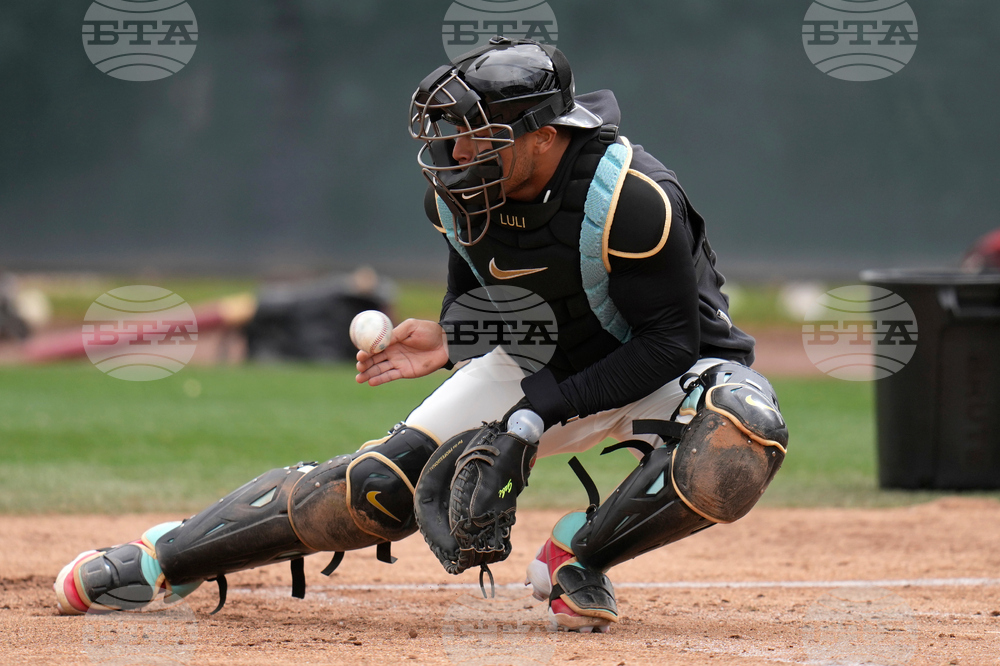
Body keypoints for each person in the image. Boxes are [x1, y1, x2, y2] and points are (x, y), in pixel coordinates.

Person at [54, 38, 788, 634]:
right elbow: (485, 302)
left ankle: (583, 553)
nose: (456, 151)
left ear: (543, 134)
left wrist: (534, 419)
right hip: (544, 361)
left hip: (672, 369)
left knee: (742, 436)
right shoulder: (462, 194)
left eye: (478, 135)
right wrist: (454, 336)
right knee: (370, 492)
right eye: (452, 134)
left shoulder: (633, 200)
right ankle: (162, 557)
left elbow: (665, 342)